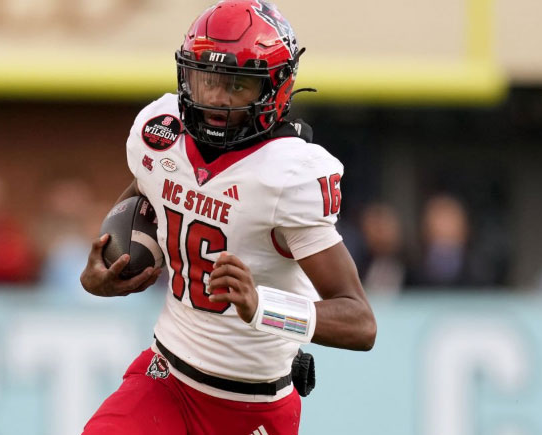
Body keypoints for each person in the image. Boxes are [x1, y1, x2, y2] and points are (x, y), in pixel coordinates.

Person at [79, 1, 376, 434]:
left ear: (274, 87)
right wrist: (108, 266)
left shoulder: (288, 174)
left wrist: (263, 307)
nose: (217, 97)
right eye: (207, 79)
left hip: (253, 406)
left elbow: (360, 323)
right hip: (165, 378)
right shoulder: (162, 133)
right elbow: (148, 190)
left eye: (237, 84)